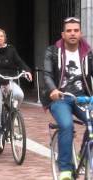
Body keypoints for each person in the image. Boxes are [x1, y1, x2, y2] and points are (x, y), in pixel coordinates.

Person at [41, 17, 93, 180]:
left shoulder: (87, 52)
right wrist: (53, 89)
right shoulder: (52, 51)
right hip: (60, 98)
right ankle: (65, 168)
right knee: (66, 125)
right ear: (63, 34)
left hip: (83, 98)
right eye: (69, 31)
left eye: (76, 30)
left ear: (81, 33)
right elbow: (47, 74)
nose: (72, 33)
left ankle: (83, 156)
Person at [0, 28, 32, 152]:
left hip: (8, 81)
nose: (0, 38)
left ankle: (13, 114)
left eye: (2, 36)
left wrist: (27, 71)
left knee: (19, 94)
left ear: (5, 38)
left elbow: (19, 62)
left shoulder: (11, 49)